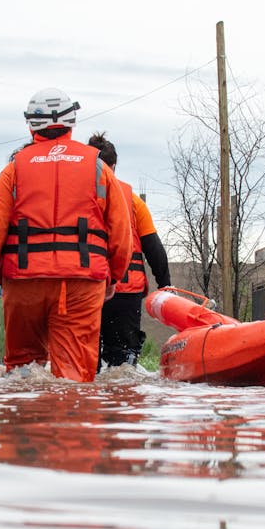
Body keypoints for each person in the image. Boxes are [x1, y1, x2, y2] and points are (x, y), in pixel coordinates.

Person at [0, 88, 132, 382]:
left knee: (22, 372)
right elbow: (121, 230)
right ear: (72, 122)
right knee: (73, 377)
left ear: (31, 125)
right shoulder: (98, 167)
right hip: (81, 281)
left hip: (24, 281)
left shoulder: (14, 168)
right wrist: (115, 276)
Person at [87, 132, 171, 368]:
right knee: (123, 360)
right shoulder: (133, 201)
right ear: (114, 166)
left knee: (85, 360)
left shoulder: (77, 199)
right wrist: (165, 285)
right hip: (125, 291)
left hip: (87, 289)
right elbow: (153, 247)